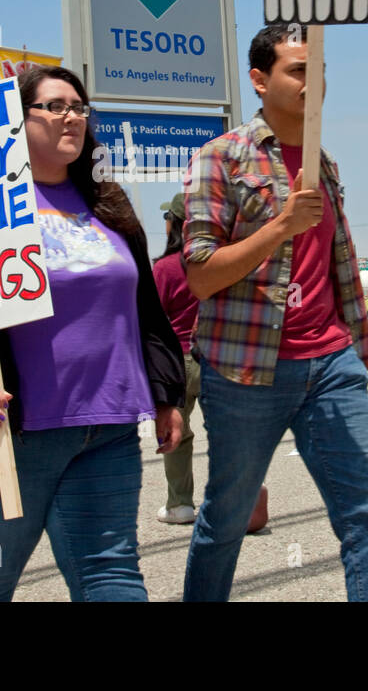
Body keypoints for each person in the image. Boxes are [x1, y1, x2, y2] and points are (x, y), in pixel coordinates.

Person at [0, 65, 185, 602]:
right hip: (1, 430)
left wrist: (165, 394)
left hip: (108, 426)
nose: (72, 116)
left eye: (79, 106)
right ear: (13, 121)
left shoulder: (109, 202)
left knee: (112, 572)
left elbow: (145, 310)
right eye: (55, 106)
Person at [181, 23, 368, 602]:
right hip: (247, 370)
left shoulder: (323, 160)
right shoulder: (220, 157)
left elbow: (331, 260)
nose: (314, 81)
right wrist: (281, 225)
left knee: (366, 516)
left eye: (321, 70)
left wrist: (354, 346)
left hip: (330, 362)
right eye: (300, 70)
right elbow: (200, 274)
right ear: (260, 79)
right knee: (227, 521)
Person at [153, 193, 203, 525]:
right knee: (226, 433)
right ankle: (231, 504)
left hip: (178, 362)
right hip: (214, 357)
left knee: (176, 432)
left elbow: (152, 322)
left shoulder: (165, 268)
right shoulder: (217, 262)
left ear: (175, 224)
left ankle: (180, 504)